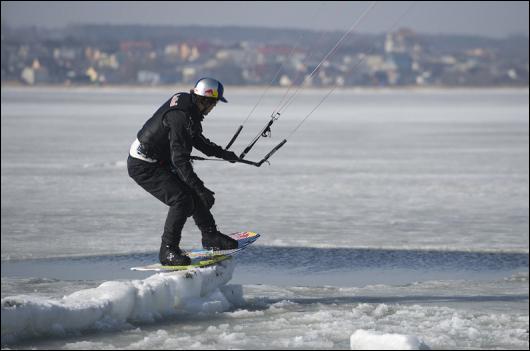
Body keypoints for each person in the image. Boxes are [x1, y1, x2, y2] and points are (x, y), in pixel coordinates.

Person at [127, 78, 239, 266]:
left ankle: (210, 236)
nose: (213, 108)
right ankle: (168, 251)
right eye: (213, 104)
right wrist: (201, 189)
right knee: (181, 200)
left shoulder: (189, 108)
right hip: (143, 165)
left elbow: (197, 139)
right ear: (204, 100)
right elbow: (180, 160)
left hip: (159, 160)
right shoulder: (180, 117)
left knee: (191, 192)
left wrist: (224, 154)